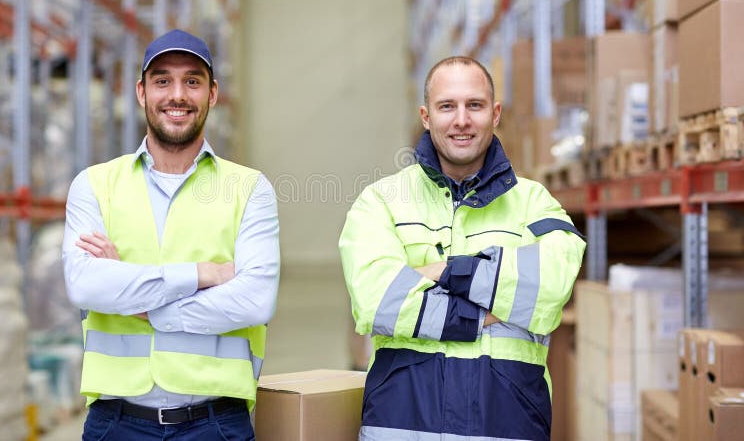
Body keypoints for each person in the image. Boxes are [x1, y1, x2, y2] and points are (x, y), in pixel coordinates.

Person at [339, 56, 585, 440]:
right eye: (447, 106)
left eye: (475, 105)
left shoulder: (535, 203)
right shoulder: (381, 201)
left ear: (495, 113)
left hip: (505, 423)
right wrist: (488, 310)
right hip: (401, 424)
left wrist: (440, 271)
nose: (461, 120)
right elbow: (377, 299)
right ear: (425, 116)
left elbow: (550, 288)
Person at [62, 29, 280, 440]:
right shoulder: (94, 185)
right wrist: (202, 274)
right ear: (142, 92)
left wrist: (137, 300)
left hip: (215, 423)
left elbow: (254, 301)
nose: (176, 95)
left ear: (212, 94)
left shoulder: (249, 188)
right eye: (162, 81)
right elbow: (85, 285)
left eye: (192, 81)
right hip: (116, 423)